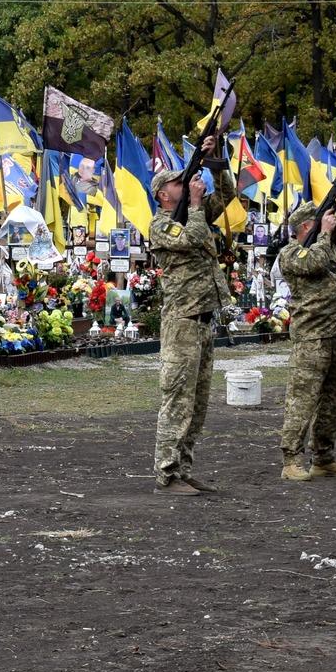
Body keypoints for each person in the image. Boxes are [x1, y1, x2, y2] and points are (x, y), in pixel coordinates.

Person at [148, 134, 235, 495]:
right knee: (177, 400)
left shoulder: (194, 211)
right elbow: (189, 238)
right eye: (176, 182)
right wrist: (196, 203)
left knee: (197, 404)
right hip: (182, 322)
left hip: (202, 319)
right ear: (163, 195)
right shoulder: (160, 224)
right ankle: (165, 475)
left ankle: (183, 469)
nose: (184, 184)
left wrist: (217, 159)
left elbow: (228, 194)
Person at [275, 201, 336, 481]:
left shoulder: (328, 246)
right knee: (302, 401)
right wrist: (323, 234)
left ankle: (323, 457)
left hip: (335, 334)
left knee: (333, 401)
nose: (331, 226)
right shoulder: (290, 254)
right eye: (323, 222)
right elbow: (315, 263)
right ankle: (291, 460)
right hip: (311, 338)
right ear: (307, 227)